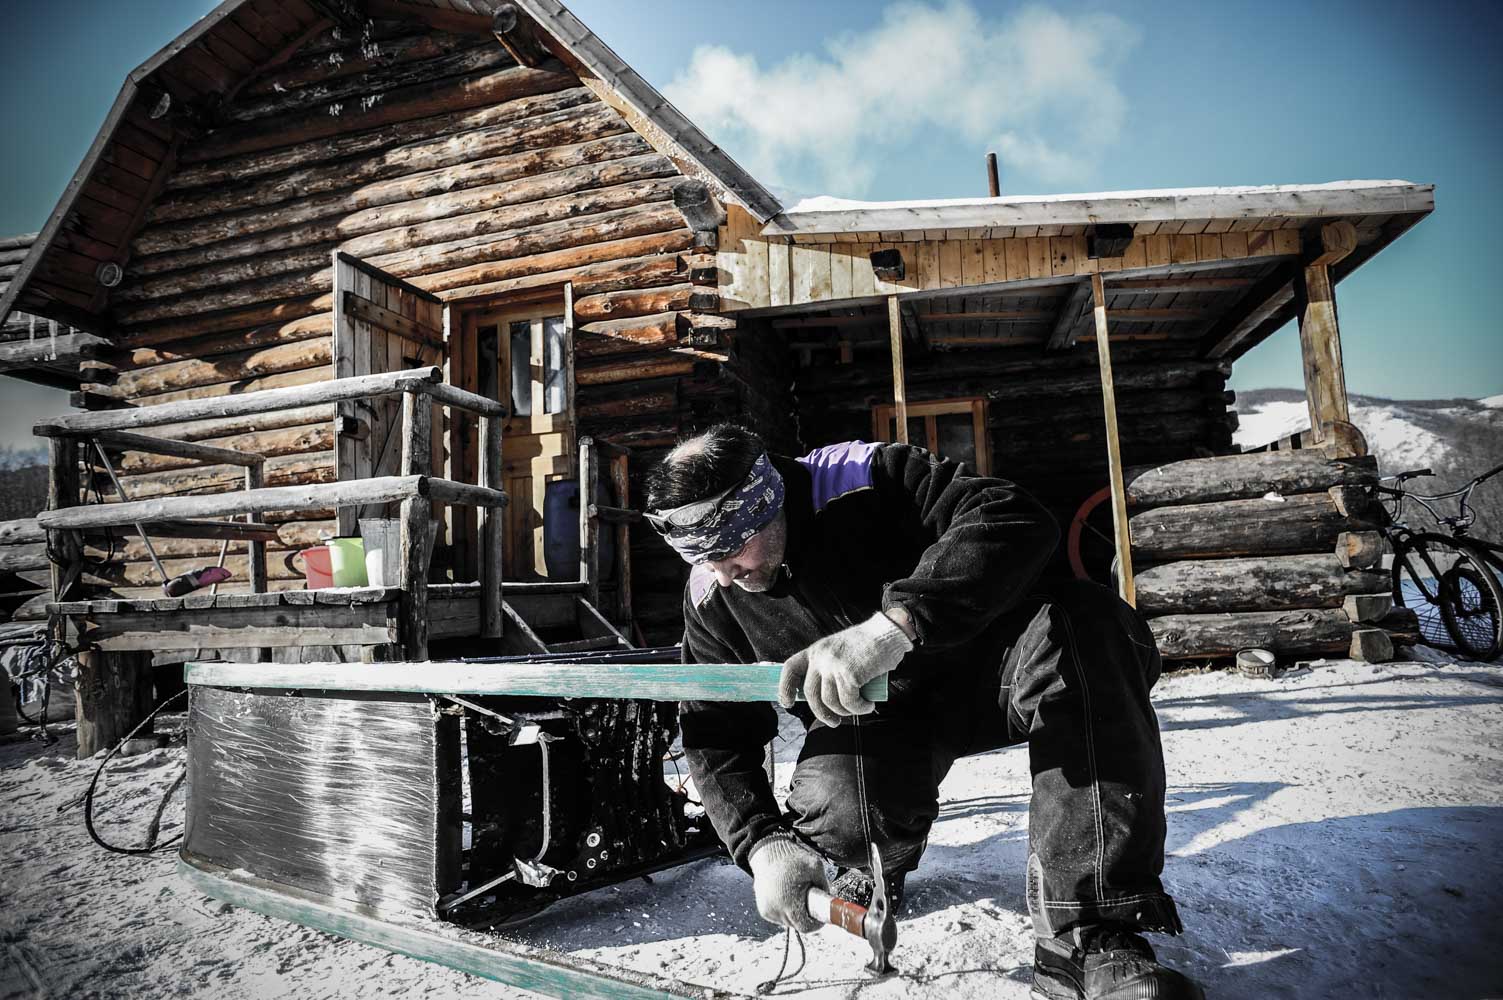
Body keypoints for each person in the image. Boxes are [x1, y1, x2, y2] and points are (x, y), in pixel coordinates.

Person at [644, 424, 1205, 1000]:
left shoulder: (861, 476)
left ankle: (1088, 932)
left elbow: (1015, 515)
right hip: (874, 724)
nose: (722, 572)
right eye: (701, 560)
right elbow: (714, 728)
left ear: (769, 502)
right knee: (841, 811)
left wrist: (897, 625)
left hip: (992, 669)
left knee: (1086, 622)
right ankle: (872, 864)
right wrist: (761, 844)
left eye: (731, 548)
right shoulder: (713, 598)